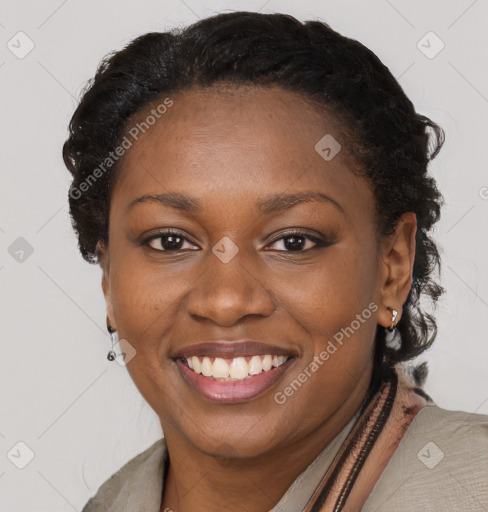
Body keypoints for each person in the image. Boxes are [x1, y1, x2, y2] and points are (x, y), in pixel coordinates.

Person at [62, 11, 488, 512]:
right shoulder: (112, 503)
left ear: (392, 268)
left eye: (293, 242)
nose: (224, 301)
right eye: (170, 241)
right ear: (109, 278)